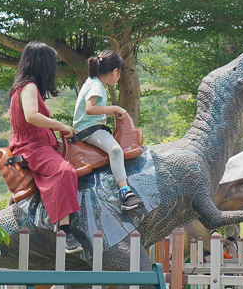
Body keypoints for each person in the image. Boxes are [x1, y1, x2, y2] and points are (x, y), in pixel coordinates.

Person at [9, 41, 83, 250]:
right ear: (43, 64)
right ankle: (65, 230)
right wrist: (60, 124)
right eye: (52, 62)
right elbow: (32, 116)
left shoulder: (22, 87)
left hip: (37, 143)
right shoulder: (29, 87)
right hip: (32, 147)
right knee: (65, 171)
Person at [72, 50, 143, 211]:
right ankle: (126, 193)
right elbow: (90, 109)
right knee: (116, 150)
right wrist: (115, 108)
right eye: (120, 74)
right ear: (115, 71)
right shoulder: (96, 85)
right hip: (90, 129)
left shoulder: (92, 82)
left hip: (91, 127)